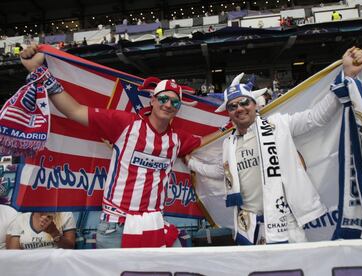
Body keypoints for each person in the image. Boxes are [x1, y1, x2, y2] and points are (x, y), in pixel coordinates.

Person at [19, 45, 219, 248]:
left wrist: (233, 126)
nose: (168, 105)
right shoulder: (125, 124)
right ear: (153, 99)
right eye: (164, 99)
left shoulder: (177, 139)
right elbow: (75, 111)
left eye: (175, 103)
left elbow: (207, 142)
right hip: (116, 227)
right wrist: (37, 72)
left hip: (155, 224)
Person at [184, 47, 362, 245]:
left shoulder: (279, 125)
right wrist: (191, 163)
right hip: (248, 225)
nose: (239, 109)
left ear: (255, 104)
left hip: (285, 221)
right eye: (232, 106)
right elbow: (219, 171)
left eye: (244, 102)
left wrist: (345, 75)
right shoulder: (229, 143)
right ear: (228, 112)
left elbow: (316, 118)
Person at [7, 212, 75, 249]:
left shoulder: (65, 214)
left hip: (54, 266)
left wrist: (54, 233)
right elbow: (14, 252)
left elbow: (70, 247)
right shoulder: (21, 218)